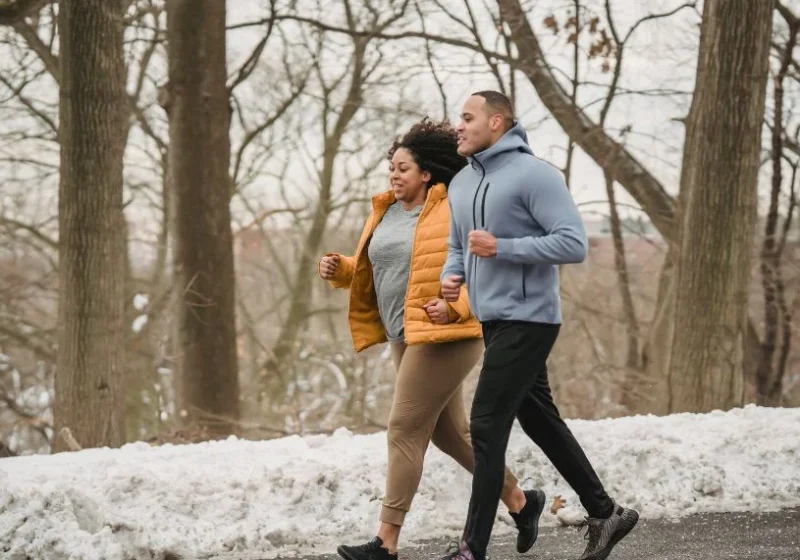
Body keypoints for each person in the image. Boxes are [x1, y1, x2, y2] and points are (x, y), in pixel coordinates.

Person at [319, 118, 545, 560]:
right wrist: (342, 269)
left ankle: (385, 543)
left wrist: (457, 305)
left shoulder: (452, 208)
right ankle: (520, 501)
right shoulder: (385, 210)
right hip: (406, 333)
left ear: (426, 173)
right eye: (392, 168)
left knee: (404, 428)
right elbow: (382, 267)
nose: (394, 175)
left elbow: (479, 265)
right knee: (449, 434)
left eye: (403, 168)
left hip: (448, 333)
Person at [439, 91, 639, 560]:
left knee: (486, 423)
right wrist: (455, 275)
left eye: (467, 118)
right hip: (492, 317)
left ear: (497, 122)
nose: (459, 127)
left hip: (530, 317)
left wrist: (503, 248)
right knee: (539, 420)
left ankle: (472, 550)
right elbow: (457, 245)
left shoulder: (535, 175)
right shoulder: (462, 182)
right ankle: (605, 511)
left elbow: (573, 243)